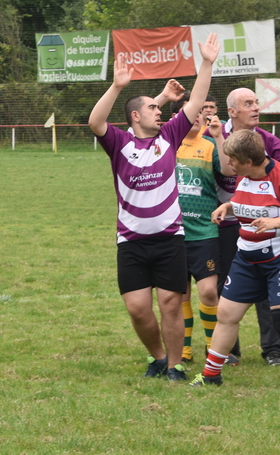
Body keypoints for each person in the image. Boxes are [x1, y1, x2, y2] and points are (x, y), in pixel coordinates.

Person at [89, 34, 219, 381]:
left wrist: (207, 63)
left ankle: (175, 365)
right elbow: (95, 122)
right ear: (135, 115)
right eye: (153, 108)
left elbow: (196, 101)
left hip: (169, 239)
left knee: (171, 304)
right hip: (131, 241)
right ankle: (159, 357)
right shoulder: (119, 142)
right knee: (137, 309)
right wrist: (117, 86)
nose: (160, 111)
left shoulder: (169, 137)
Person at [190, 129, 280, 391]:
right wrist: (228, 207)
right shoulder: (244, 177)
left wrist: (275, 223)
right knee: (226, 314)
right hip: (247, 257)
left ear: (248, 161)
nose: (229, 164)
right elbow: (247, 202)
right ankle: (211, 375)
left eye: (233, 159)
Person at [218, 87, 280, 366]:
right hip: (225, 221)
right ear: (232, 111)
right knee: (228, 285)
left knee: (269, 285)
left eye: (256, 102)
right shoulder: (213, 135)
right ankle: (228, 351)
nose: (256, 107)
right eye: (248, 103)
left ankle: (273, 349)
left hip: (266, 223)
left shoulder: (267, 140)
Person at [164, 92, 230, 364]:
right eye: (190, 112)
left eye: (199, 112)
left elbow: (228, 171)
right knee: (181, 294)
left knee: (209, 291)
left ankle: (213, 349)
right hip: (175, 233)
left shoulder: (210, 144)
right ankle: (185, 350)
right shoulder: (168, 145)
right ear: (177, 118)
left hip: (205, 231)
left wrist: (219, 137)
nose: (196, 117)